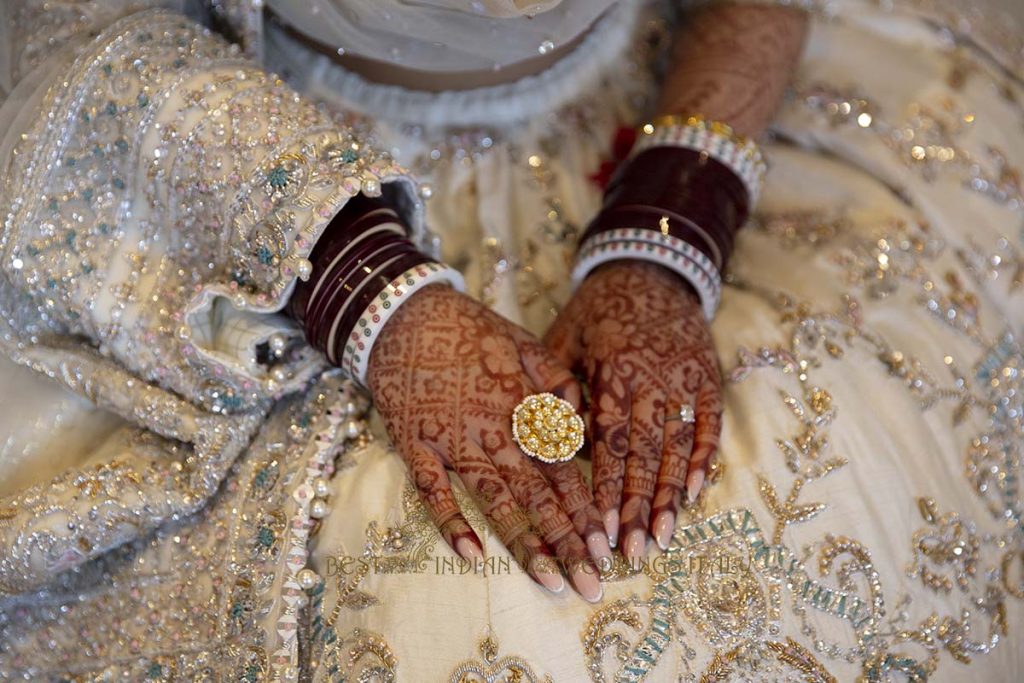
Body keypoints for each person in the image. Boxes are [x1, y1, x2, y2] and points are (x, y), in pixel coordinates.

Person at [0, 0, 1021, 680]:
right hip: (244, 169)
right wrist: (376, 296)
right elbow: (75, 24)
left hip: (670, 103)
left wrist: (669, 228)